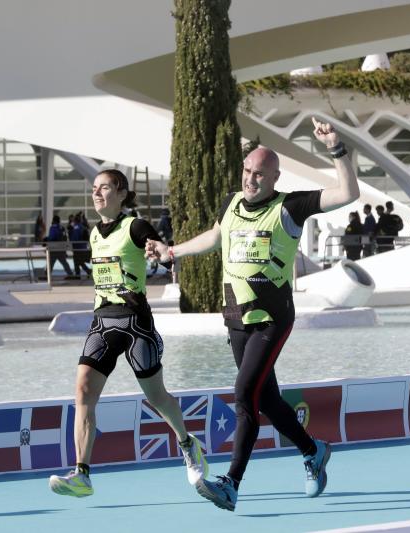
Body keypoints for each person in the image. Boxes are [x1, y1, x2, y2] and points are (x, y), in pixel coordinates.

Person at [147, 117, 359, 512]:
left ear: (275, 178)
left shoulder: (290, 207)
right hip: (235, 317)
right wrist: (172, 251)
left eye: (260, 174)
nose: (251, 179)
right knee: (268, 399)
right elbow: (215, 237)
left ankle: (231, 483)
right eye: (247, 171)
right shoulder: (231, 202)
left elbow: (348, 192)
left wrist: (336, 149)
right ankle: (314, 451)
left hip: (271, 318)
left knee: (245, 394)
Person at [49, 169, 207, 498]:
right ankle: (82, 474)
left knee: (157, 396)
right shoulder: (94, 233)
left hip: (135, 323)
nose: (97, 193)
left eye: (104, 188)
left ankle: (187, 443)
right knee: (83, 390)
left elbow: (160, 249)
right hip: (102, 322)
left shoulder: (134, 226)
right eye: (94, 188)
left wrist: (164, 254)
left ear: (121, 194)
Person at [69, 213, 92, 279]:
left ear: (75, 221)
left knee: (77, 261)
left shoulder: (76, 228)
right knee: (79, 261)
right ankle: (85, 272)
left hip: (77, 247)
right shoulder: (82, 226)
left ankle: (78, 274)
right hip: (83, 247)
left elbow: (74, 238)